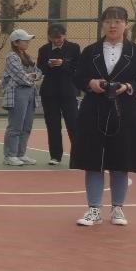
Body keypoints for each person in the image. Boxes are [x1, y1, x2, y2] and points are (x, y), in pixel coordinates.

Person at [71, 7, 136, 227]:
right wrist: (90, 83)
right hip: (93, 110)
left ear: (126, 24)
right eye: (108, 21)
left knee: (121, 160)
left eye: (118, 21)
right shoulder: (90, 51)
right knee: (94, 161)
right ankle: (94, 209)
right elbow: (77, 77)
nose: (112, 26)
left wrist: (128, 86)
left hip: (125, 111)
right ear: (102, 24)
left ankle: (118, 208)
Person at [36, 23, 81, 166]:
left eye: (59, 37)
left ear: (64, 35)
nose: (56, 41)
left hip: (68, 91)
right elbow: (40, 68)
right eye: (53, 38)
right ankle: (55, 156)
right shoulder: (44, 49)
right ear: (49, 37)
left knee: (73, 123)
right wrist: (48, 65)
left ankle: (78, 156)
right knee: (53, 124)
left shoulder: (74, 48)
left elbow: (78, 67)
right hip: (49, 92)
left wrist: (63, 63)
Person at [1, 29, 41, 167]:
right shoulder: (11, 57)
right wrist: (32, 77)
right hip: (18, 92)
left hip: (30, 92)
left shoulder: (26, 56)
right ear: (16, 43)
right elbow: (20, 76)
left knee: (27, 125)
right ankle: (10, 155)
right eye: (25, 40)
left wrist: (33, 76)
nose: (28, 42)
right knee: (16, 125)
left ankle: (20, 154)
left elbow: (38, 72)